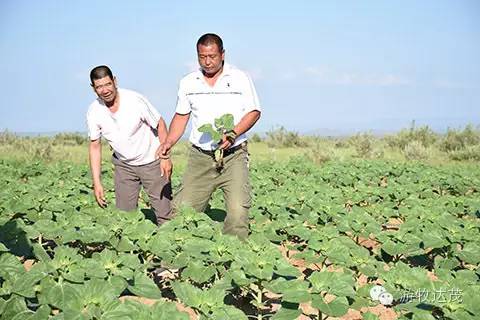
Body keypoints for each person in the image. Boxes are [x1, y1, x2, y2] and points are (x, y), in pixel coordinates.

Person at [161, 33, 261, 239]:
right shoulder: (189, 82)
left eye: (212, 56)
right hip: (201, 157)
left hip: (233, 156)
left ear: (223, 55)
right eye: (202, 56)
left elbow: (254, 112)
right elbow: (181, 116)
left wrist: (233, 134)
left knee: (238, 212)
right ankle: (172, 264)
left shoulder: (240, 78)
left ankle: (233, 262)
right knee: (182, 211)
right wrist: (169, 141)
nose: (207, 62)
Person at [86, 65, 172, 225]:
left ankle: (168, 248)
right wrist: (97, 183)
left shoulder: (135, 100)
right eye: (99, 87)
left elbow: (160, 124)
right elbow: (95, 146)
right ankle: (128, 250)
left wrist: (165, 157)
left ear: (115, 81)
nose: (104, 90)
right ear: (93, 89)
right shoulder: (94, 111)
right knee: (124, 219)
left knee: (164, 215)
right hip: (124, 165)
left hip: (152, 161)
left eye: (107, 84)